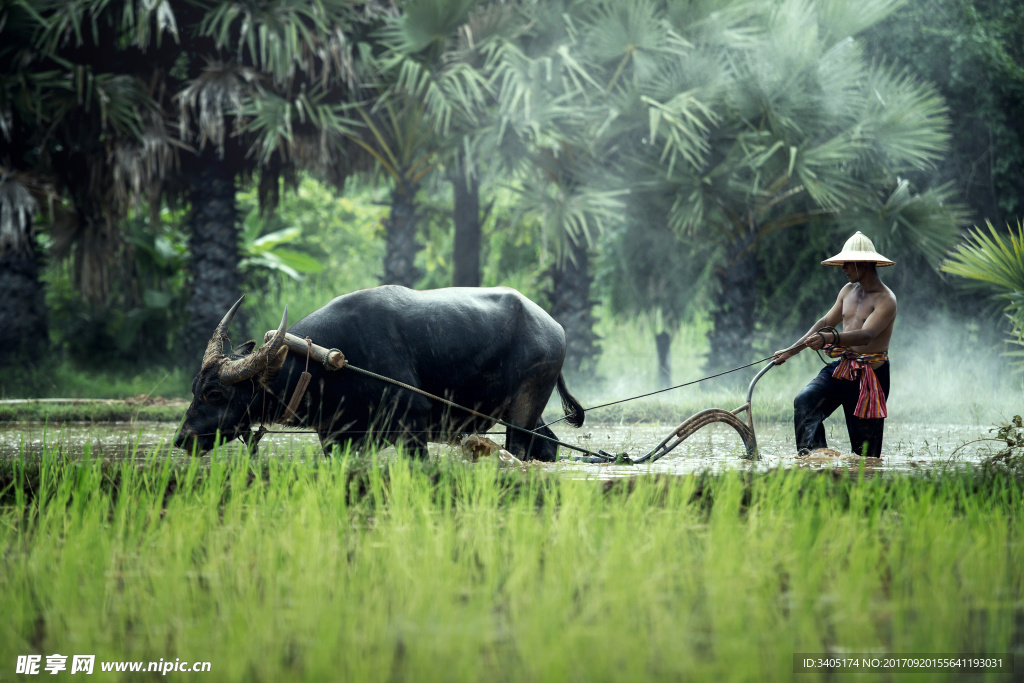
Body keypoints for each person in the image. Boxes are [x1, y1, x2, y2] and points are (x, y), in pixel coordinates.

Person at [772, 232, 897, 458]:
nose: (843, 268)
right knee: (805, 402)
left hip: (869, 377)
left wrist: (830, 339)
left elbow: (866, 335)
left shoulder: (886, 299)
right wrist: (790, 351)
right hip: (843, 368)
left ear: (864, 264)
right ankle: (816, 460)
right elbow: (825, 323)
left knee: (864, 455)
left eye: (847, 263)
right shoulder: (847, 291)